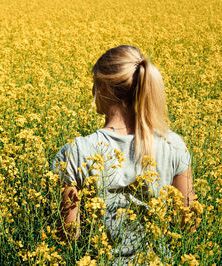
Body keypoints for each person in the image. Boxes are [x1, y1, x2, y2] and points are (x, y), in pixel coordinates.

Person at [52, 45, 195, 261]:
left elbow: (68, 235)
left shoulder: (76, 152)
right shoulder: (174, 145)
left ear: (101, 87)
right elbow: (187, 225)